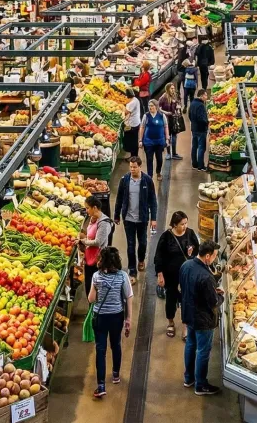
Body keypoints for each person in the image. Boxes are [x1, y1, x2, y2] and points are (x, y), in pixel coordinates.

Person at [88, 247, 133, 399]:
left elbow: (91, 299)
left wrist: (97, 287)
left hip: (100, 317)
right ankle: (115, 375)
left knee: (100, 349)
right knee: (116, 345)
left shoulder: (96, 277)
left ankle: (101, 385)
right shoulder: (122, 276)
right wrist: (128, 319)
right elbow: (129, 297)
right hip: (117, 316)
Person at [179, 240, 222, 395]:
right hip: (203, 319)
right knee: (203, 351)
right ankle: (201, 385)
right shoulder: (205, 276)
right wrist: (220, 295)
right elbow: (214, 302)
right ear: (208, 256)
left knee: (191, 344)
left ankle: (188, 378)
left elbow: (186, 287)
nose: (215, 259)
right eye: (215, 256)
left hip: (188, 314)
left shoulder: (186, 265)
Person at [154, 211, 200, 338]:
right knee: (171, 298)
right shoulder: (166, 237)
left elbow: (197, 249)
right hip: (171, 275)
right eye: (182, 224)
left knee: (187, 300)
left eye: (186, 223)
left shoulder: (190, 234)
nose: (184, 226)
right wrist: (160, 274)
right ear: (174, 224)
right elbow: (159, 256)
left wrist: (192, 252)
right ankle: (170, 322)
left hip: (186, 275)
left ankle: (185, 325)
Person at [114, 156, 157, 282]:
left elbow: (153, 200)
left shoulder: (147, 180)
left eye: (134, 167)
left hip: (142, 218)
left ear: (140, 167)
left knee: (143, 243)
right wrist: (116, 214)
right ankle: (132, 270)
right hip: (128, 219)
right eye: (131, 167)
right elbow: (119, 198)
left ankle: (141, 259)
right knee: (131, 245)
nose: (132, 169)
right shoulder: (125, 180)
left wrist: (153, 218)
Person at [79, 195, 115, 297]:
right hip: (90, 259)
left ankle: (96, 310)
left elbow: (98, 242)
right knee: (88, 287)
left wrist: (84, 241)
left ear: (94, 208)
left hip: (98, 261)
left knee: (95, 289)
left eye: (87, 208)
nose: (86, 211)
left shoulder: (104, 223)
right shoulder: (93, 219)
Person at [142, 99, 168, 179]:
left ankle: (158, 172)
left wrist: (167, 138)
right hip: (148, 142)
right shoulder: (146, 116)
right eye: (149, 106)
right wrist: (140, 140)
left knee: (159, 159)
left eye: (152, 106)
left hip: (159, 142)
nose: (150, 107)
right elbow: (142, 127)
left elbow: (166, 126)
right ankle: (150, 175)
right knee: (149, 159)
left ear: (156, 106)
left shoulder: (162, 115)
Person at [159, 83, 184, 160]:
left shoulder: (175, 96)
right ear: (167, 89)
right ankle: (168, 153)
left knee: (174, 136)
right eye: (171, 88)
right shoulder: (163, 98)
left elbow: (178, 104)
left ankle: (174, 153)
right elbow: (159, 109)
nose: (173, 90)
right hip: (166, 119)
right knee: (168, 136)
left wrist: (179, 108)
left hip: (174, 119)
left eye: (173, 88)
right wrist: (166, 112)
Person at [188, 89, 210, 171]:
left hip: (194, 128)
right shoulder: (201, 105)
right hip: (201, 129)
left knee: (194, 146)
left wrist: (193, 122)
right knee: (201, 147)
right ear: (201, 96)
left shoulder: (193, 103)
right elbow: (201, 118)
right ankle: (201, 166)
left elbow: (189, 114)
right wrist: (207, 122)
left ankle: (194, 164)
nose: (206, 97)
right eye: (205, 95)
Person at [122, 88, 142, 160]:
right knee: (134, 140)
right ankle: (133, 156)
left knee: (132, 141)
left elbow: (126, 112)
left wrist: (122, 107)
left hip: (132, 124)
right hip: (136, 123)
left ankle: (134, 157)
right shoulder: (135, 99)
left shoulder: (131, 103)